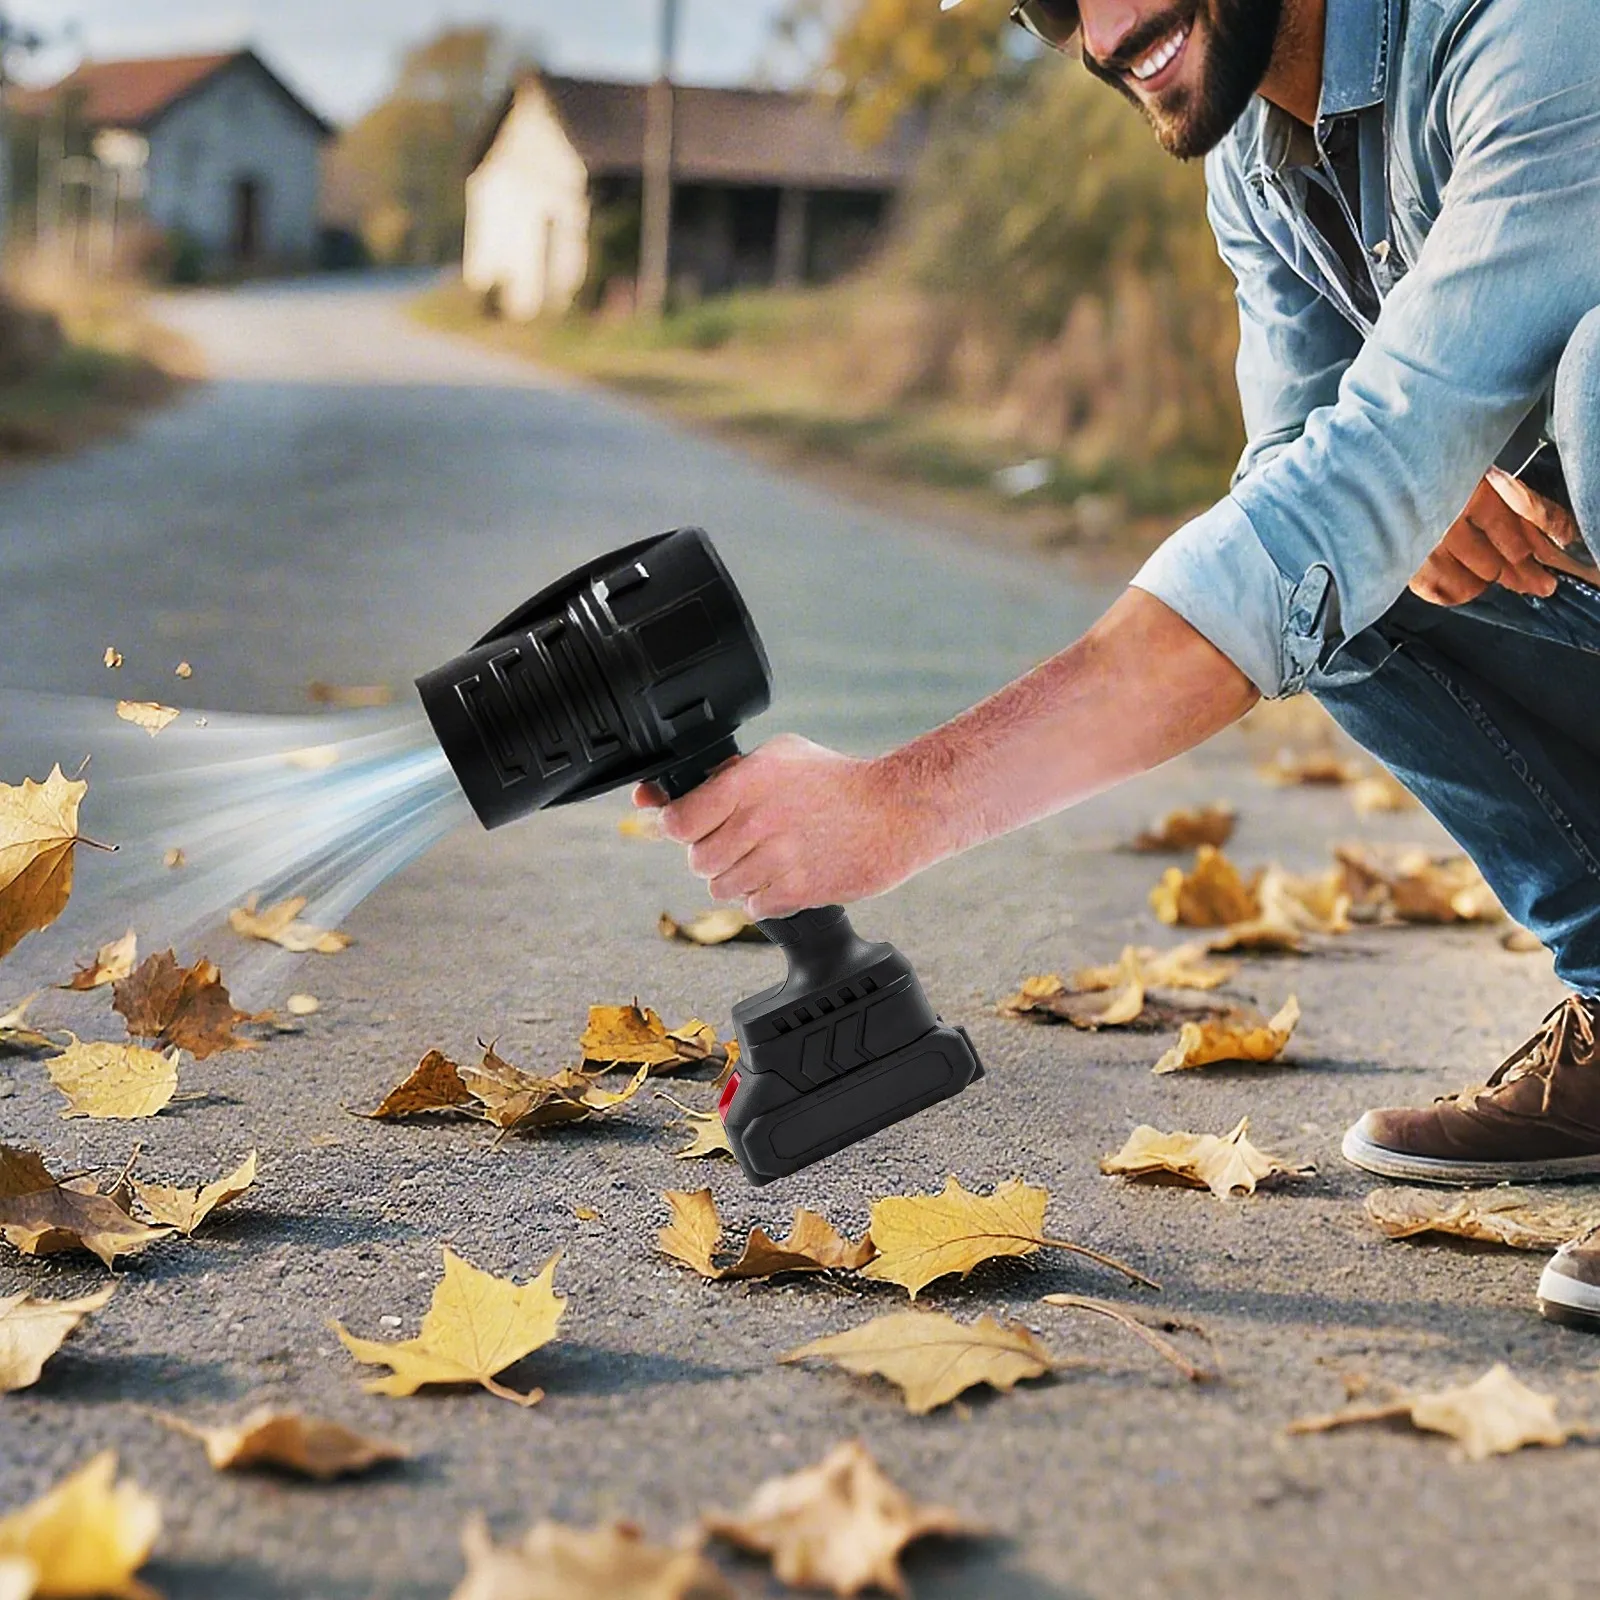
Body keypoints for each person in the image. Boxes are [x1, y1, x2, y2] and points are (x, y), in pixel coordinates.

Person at [635, 0, 1600, 1330]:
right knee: (1339, 585)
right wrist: (1407, 490)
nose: (1102, 32)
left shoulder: (1534, 30)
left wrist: (903, 803)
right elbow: (1297, 485)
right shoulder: (1260, 156)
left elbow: (1344, 494)